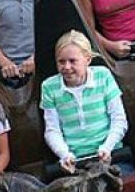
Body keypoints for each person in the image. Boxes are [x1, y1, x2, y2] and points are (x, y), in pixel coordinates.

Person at [40, 30, 129, 174]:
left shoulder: (103, 76)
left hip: (112, 156)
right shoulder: (49, 87)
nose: (67, 67)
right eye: (61, 62)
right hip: (75, 162)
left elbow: (119, 120)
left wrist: (107, 147)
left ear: (87, 59)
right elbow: (52, 130)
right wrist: (64, 154)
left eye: (72, 61)